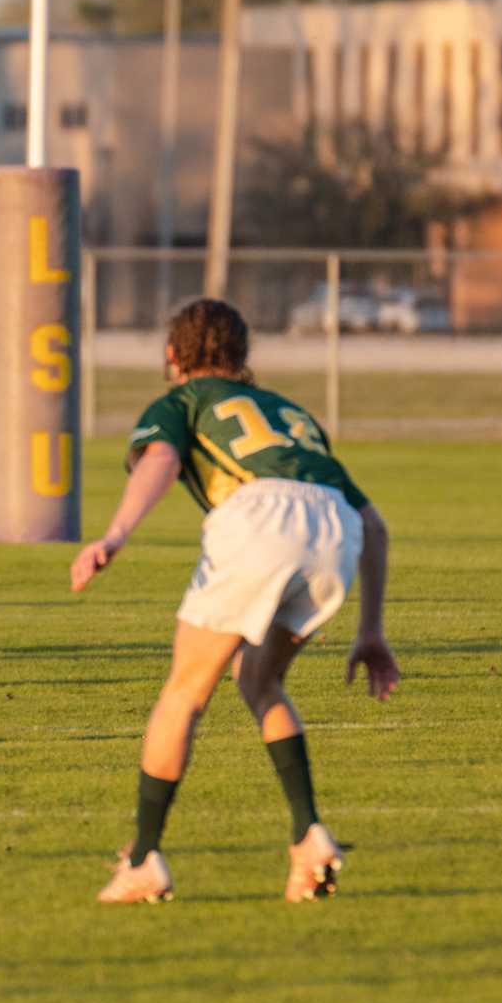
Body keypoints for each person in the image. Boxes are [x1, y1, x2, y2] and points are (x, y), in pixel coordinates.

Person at [70, 298, 399, 904]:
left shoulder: (180, 402)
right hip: (335, 531)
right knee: (260, 681)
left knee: (183, 694)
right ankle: (308, 837)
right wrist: (371, 630)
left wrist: (114, 536)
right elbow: (374, 525)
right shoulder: (291, 412)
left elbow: (162, 459)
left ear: (174, 356)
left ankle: (144, 858)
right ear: (242, 356)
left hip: (259, 519)